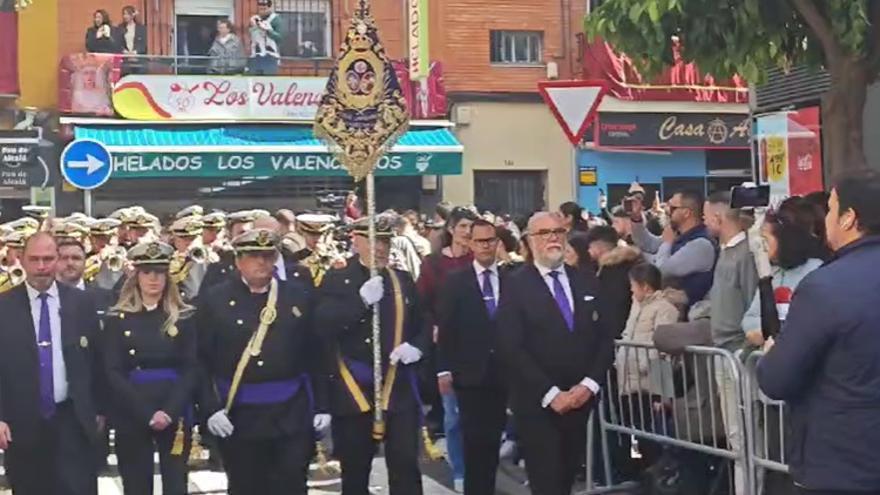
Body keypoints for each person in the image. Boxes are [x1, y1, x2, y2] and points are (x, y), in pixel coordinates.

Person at [758, 169, 880, 495]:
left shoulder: (825, 287)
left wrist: (772, 354)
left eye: (831, 208)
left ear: (849, 218)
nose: (825, 218)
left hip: (842, 465)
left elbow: (777, 378)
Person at [196, 228, 327, 495]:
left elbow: (317, 354)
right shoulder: (215, 299)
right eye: (254, 256)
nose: (262, 263)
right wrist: (210, 408)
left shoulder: (298, 295)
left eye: (268, 256)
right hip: (239, 412)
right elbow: (200, 358)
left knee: (291, 483)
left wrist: (322, 405)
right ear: (238, 261)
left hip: (291, 409)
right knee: (246, 485)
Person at [496, 212, 615, 495]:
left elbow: (605, 337)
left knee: (565, 479)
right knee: (546, 481)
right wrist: (551, 394)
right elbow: (511, 346)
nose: (553, 238)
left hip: (579, 400)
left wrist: (588, 385)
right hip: (538, 402)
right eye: (544, 233)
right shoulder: (515, 284)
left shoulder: (586, 281)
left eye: (558, 232)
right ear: (530, 240)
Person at [315, 215, 430, 495]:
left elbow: (423, 321)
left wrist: (417, 346)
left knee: (405, 465)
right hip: (353, 386)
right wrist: (360, 301)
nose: (380, 248)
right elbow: (322, 326)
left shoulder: (401, 279)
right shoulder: (337, 278)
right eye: (373, 240)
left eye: (385, 241)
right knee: (356, 469)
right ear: (356, 240)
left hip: (397, 386)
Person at [0, 232, 103, 495]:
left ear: (57, 260)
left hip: (73, 420)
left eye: (48, 259)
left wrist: (100, 410)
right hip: (22, 423)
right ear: (21, 260)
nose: (41, 267)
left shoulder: (82, 303)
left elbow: (98, 359)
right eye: (34, 259)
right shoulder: (4, 307)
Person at [103, 241, 198, 495]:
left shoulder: (185, 317)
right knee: (136, 484)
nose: (153, 279)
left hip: (173, 406)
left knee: (176, 483)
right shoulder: (117, 318)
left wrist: (169, 411)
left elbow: (192, 368)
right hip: (132, 408)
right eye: (147, 272)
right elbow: (112, 370)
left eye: (159, 272)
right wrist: (146, 412)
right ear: (136, 276)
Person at [437, 218, 508, 495]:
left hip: (505, 373)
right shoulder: (456, 281)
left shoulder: (511, 277)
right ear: (470, 244)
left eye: (491, 240)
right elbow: (446, 327)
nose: (486, 246)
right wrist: (443, 369)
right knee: (474, 442)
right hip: (470, 375)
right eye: (480, 241)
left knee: (493, 443)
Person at [703, 191, 759, 495]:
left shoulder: (747, 254)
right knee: (736, 438)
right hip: (722, 351)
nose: (704, 220)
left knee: (745, 437)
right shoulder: (724, 252)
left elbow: (754, 304)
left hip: (738, 354)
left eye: (705, 215)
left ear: (718, 218)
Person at [417, 206, 476, 490]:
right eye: (463, 226)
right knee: (453, 416)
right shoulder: (434, 264)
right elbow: (422, 303)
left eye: (471, 227)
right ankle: (460, 472)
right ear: (451, 229)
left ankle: (479, 469)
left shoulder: (479, 261)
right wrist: (434, 327)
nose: (467, 232)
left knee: (478, 416)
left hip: (478, 345)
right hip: (447, 347)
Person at [615, 262, 683, 472]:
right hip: (628, 380)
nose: (631, 290)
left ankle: (657, 470)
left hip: (649, 383)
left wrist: (660, 391)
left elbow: (663, 347)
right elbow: (628, 334)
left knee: (653, 429)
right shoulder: (637, 306)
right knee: (632, 428)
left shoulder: (665, 309)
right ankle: (637, 467)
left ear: (645, 287)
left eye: (633, 286)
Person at [741, 213, 824, 347]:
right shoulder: (770, 274)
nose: (760, 246)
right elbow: (750, 318)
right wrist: (762, 331)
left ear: (783, 239)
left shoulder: (815, 270)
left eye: (764, 239)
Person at [630, 190, 716, 307]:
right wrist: (636, 218)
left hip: (686, 314)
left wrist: (667, 244)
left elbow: (661, 270)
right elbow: (648, 244)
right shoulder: (678, 235)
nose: (667, 211)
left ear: (686, 213)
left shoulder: (701, 244)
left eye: (672, 208)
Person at [585, 226, 643, 338]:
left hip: (615, 330)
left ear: (598, 246)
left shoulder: (611, 269)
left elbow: (613, 304)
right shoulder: (629, 262)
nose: (588, 251)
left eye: (590, 246)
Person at [248, 0, 283, 75]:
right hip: (256, 55)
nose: (262, 11)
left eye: (264, 9)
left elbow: (280, 38)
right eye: (260, 9)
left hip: (270, 56)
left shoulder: (276, 19)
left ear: (270, 8)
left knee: (268, 81)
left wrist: (267, 31)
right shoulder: (255, 19)